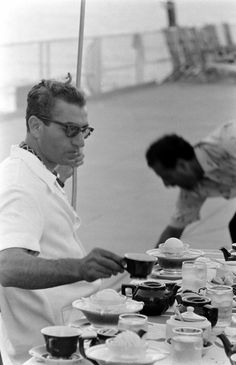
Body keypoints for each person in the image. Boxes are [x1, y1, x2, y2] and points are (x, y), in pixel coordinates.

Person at [0, 77, 126, 365]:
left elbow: (38, 204)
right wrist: (81, 268)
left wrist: (58, 175)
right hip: (51, 348)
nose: (80, 141)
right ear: (35, 126)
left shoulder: (33, 172)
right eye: (70, 130)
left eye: (84, 131)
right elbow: (7, 266)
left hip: (71, 326)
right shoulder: (19, 185)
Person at [145, 120, 236, 247]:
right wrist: (150, 264)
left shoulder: (229, 142)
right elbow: (173, 230)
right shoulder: (193, 187)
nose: (167, 184)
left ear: (182, 165)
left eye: (167, 177)